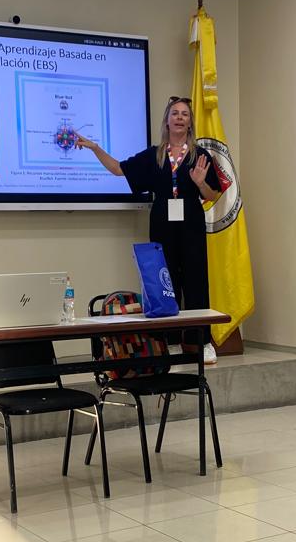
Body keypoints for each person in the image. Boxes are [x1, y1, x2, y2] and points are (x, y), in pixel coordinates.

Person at [75, 95, 221, 362]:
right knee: (165, 282)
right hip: (162, 222)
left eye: (184, 114)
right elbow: (119, 169)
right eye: (175, 113)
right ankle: (171, 342)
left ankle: (201, 341)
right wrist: (95, 148)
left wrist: (201, 183)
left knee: (196, 281)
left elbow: (213, 195)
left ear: (190, 123)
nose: (179, 118)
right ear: (167, 121)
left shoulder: (200, 156)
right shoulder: (154, 155)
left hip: (191, 223)